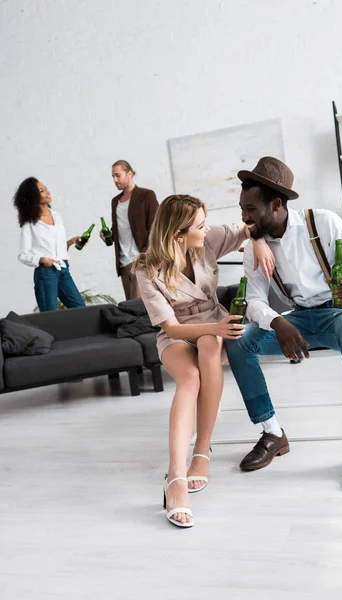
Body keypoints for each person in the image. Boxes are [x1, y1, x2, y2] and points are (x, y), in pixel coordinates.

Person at [225, 156, 342, 491]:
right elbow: (253, 301)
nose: (244, 218)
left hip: (339, 312)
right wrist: (277, 322)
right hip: (297, 318)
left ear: (276, 205)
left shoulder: (321, 222)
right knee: (238, 339)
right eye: (241, 209)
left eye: (250, 209)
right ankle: (272, 433)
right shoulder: (254, 248)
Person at [133, 194, 274, 528]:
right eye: (199, 225)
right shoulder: (146, 268)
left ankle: (202, 450)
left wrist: (259, 242)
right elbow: (170, 326)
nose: (206, 228)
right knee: (190, 379)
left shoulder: (207, 240)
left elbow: (253, 223)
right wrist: (217, 327)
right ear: (179, 235)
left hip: (213, 327)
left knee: (210, 344)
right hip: (178, 335)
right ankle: (175, 477)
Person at [14, 177, 86, 313]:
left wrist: (71, 242)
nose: (47, 192)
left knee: (81, 310)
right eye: (42, 191)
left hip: (64, 270)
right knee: (49, 316)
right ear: (33, 197)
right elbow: (23, 255)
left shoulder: (56, 216)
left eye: (46, 188)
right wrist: (41, 259)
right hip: (46, 273)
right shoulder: (30, 223)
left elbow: (55, 249)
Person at [102, 160, 158, 300]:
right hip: (123, 264)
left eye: (117, 175)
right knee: (132, 306)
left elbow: (156, 228)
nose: (115, 180)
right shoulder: (115, 201)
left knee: (141, 307)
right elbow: (119, 229)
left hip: (140, 261)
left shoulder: (146, 195)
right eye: (113, 177)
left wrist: (144, 256)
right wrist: (109, 235)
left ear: (130, 173)